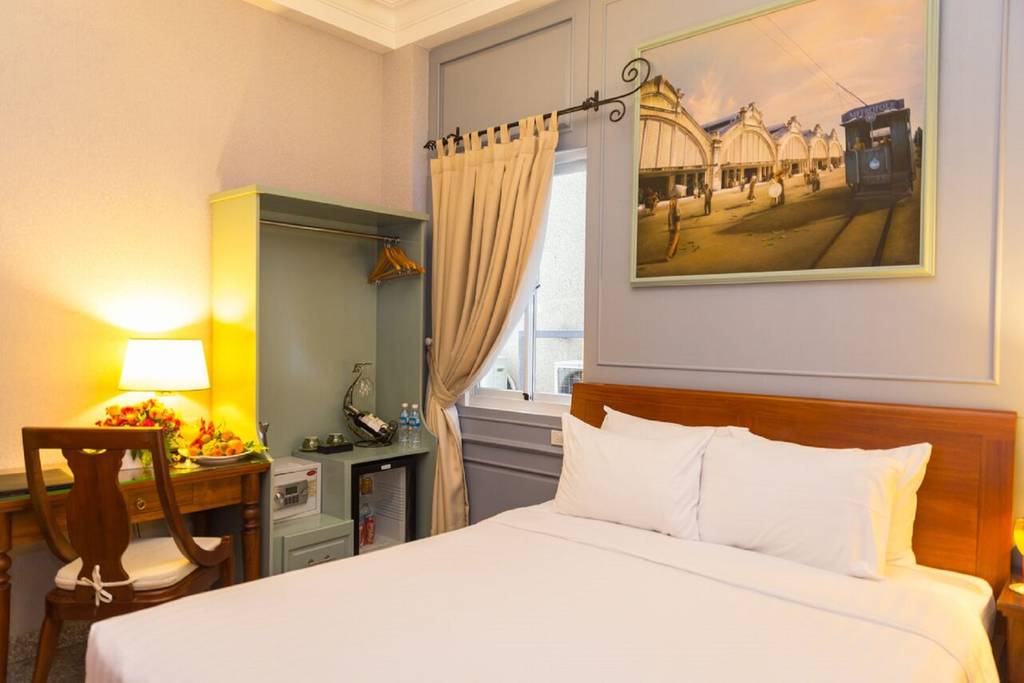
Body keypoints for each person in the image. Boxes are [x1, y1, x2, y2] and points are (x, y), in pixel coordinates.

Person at [664, 191, 682, 260]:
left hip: (676, 221)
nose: (680, 195)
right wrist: (671, 225)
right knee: (673, 239)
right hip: (675, 222)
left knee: (676, 238)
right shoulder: (674, 202)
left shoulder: (675, 201)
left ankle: (673, 253)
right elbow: (671, 214)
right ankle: (668, 255)